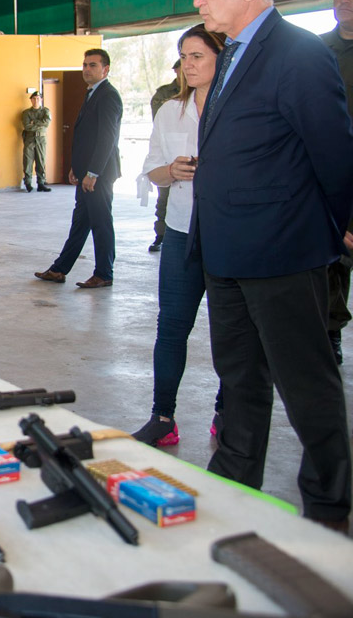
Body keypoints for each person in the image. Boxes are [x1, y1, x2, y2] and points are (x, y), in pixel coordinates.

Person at [189, 0, 353, 530]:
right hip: (227, 252)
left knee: (307, 386)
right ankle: (236, 485)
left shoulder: (299, 54)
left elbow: (334, 154)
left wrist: (339, 227)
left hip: (284, 252)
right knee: (239, 381)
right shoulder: (229, 54)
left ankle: (332, 506)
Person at [130, 26, 225, 446]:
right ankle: (162, 416)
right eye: (184, 56)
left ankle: (227, 414)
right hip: (182, 234)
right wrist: (171, 173)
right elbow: (151, 168)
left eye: (198, 56)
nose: (188, 64)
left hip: (230, 236)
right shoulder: (170, 110)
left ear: (221, 59)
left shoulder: (240, 107)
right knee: (171, 327)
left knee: (230, 332)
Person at [35, 49, 123, 288]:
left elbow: (107, 138)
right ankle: (59, 269)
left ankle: (104, 273)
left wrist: (93, 173)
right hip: (87, 173)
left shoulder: (108, 96)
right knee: (81, 222)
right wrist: (77, 167)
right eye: (84, 64)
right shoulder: (92, 93)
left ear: (105, 69)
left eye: (92, 65)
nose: (86, 69)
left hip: (99, 175)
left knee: (101, 222)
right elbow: (85, 137)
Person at [320, 0, 353, 364]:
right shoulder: (317, 49)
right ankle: (331, 330)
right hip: (331, 166)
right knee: (332, 252)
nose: (345, 3)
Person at [147, 61, 181, 252]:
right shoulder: (164, 94)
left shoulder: (202, 90)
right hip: (168, 154)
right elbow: (162, 121)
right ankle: (160, 234)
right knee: (164, 198)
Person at [20, 92, 51, 193]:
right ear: (31, 100)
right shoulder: (26, 113)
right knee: (28, 161)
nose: (36, 100)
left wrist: (34, 123)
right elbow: (27, 126)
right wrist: (39, 124)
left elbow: (46, 123)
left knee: (41, 161)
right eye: (34, 98)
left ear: (41, 99)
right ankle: (28, 183)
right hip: (29, 139)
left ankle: (41, 183)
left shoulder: (45, 111)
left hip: (41, 139)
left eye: (38, 98)